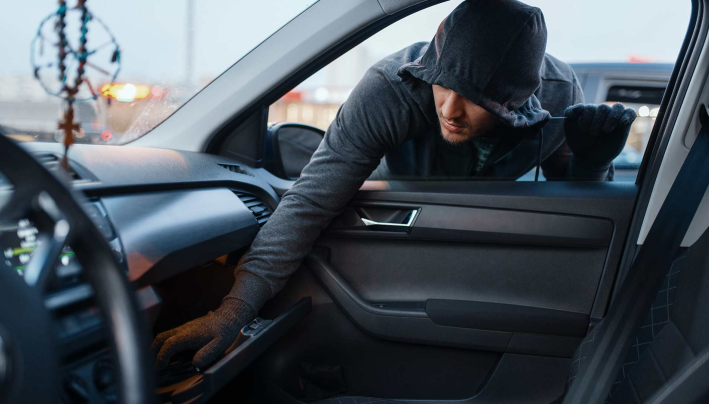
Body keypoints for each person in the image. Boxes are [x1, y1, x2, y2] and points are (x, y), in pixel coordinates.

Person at [152, 0, 637, 370]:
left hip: (487, 249)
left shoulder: (559, 94)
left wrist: (594, 163)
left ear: (518, 99)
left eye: (475, 98)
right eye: (443, 84)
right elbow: (312, 198)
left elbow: (584, 210)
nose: (449, 109)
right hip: (401, 216)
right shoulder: (391, 87)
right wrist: (234, 310)